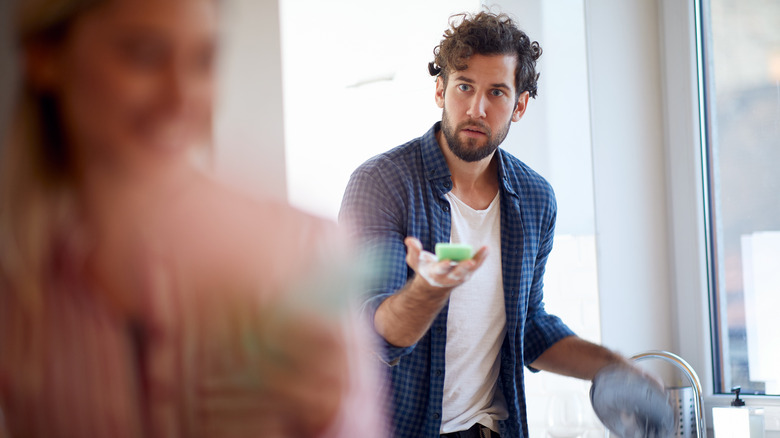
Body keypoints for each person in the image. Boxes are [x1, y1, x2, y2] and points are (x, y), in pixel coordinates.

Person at [0, 0, 382, 436]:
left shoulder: (304, 247)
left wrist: (326, 414)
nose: (180, 97)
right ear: (45, 57)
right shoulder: (16, 282)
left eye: (203, 60)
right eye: (144, 54)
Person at [340, 11, 669, 438]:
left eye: (496, 92)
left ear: (520, 105)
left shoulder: (535, 198)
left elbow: (529, 326)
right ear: (440, 89)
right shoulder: (381, 183)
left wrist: (615, 366)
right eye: (464, 87)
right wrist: (428, 289)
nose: (477, 108)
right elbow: (372, 335)